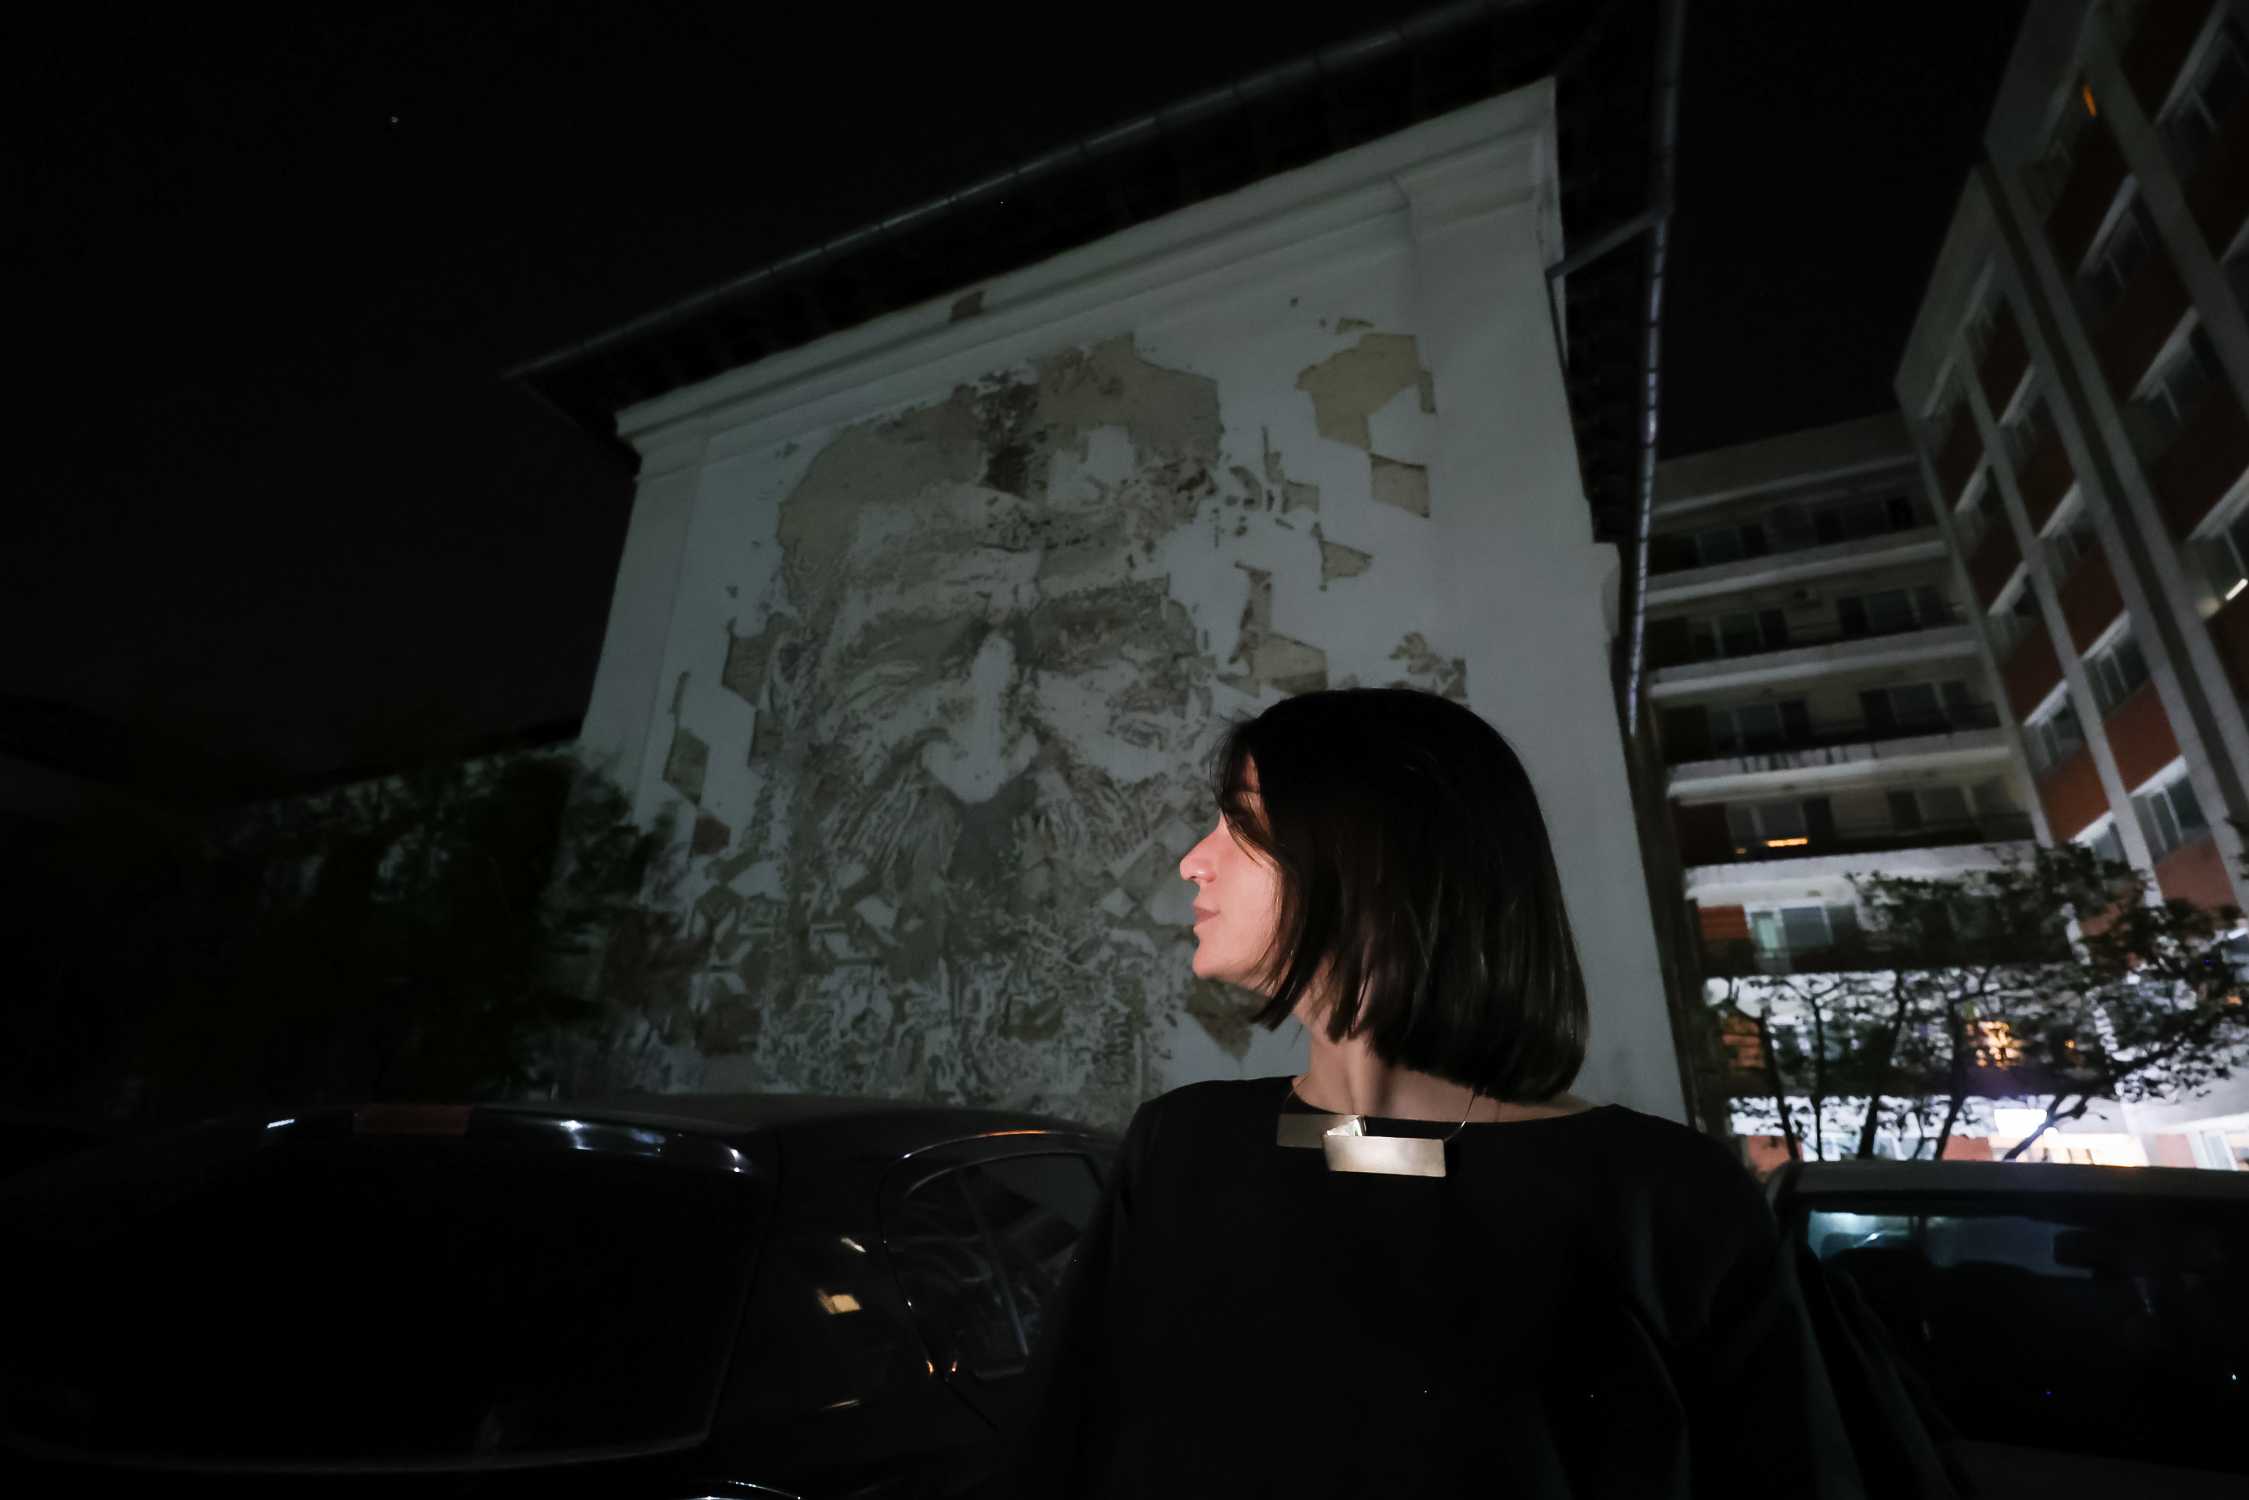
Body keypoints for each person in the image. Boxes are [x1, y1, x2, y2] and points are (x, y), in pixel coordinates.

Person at [998, 686, 1870, 1498]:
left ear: (1377, 854)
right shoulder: (1183, 1146)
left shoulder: (1663, 1199)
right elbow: (1061, 1450)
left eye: (1243, 824)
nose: (1194, 861)